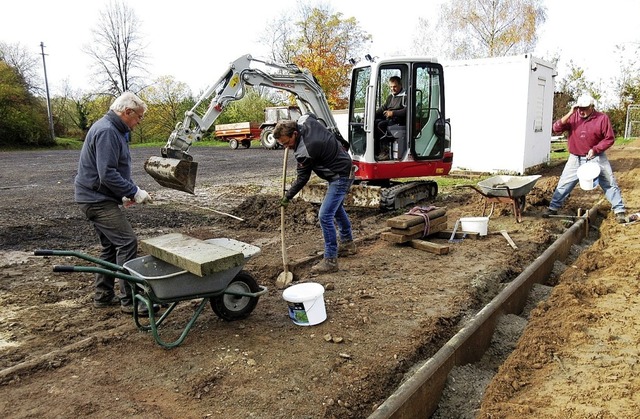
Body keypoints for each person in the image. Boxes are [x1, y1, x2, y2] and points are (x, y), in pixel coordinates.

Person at [74, 91, 155, 314]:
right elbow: (107, 173)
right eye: (138, 117)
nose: (138, 122)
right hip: (96, 200)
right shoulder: (108, 131)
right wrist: (134, 191)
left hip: (95, 196)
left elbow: (107, 172)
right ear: (127, 112)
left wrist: (123, 195)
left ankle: (103, 295)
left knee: (110, 246)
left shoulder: (113, 129)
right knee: (127, 243)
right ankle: (130, 301)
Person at [273, 114, 357, 274]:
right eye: (282, 144)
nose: (286, 147)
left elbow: (303, 177)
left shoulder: (306, 149)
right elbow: (311, 115)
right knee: (336, 209)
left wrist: (288, 196)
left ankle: (331, 260)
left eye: (287, 143)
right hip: (344, 166)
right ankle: (348, 243)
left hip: (340, 176)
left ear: (294, 134)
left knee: (324, 215)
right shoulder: (304, 120)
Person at [543, 94, 626, 223]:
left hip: (596, 157)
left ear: (592, 107)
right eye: (579, 108)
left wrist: (596, 149)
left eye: (585, 108)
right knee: (565, 183)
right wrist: (570, 112)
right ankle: (553, 207)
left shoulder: (602, 118)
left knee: (609, 182)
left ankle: (619, 210)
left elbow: (609, 138)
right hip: (575, 158)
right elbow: (556, 128)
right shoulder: (573, 117)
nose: (582, 111)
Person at [374, 76, 407, 160]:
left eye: (395, 86)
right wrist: (371, 116)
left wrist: (393, 113)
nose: (393, 89)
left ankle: (385, 152)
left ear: (400, 85)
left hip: (399, 121)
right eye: (391, 87)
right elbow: (382, 108)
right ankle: (377, 151)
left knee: (381, 125)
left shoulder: (406, 96)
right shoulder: (390, 97)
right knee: (374, 123)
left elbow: (407, 111)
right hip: (390, 120)